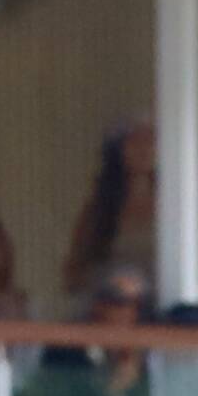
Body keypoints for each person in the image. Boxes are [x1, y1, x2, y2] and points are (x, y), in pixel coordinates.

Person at [61, 117, 161, 299]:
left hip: (161, 309)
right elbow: (74, 271)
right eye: (135, 142)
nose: (144, 149)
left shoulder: (174, 208)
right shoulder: (100, 208)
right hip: (110, 309)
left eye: (150, 142)